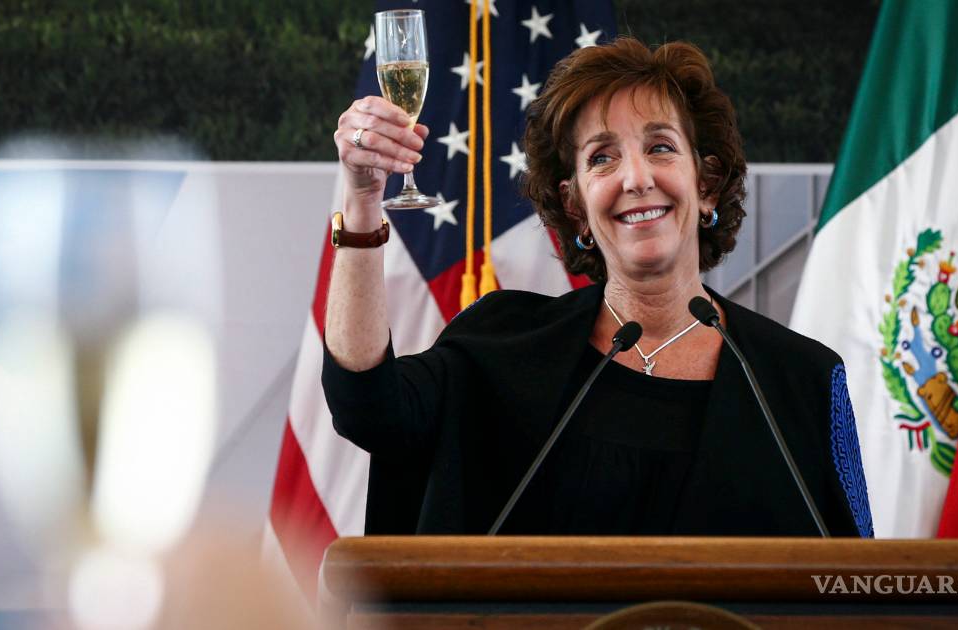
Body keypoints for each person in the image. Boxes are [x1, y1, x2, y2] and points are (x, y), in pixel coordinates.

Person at [325, 37, 873, 538]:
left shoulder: (803, 382)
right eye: (602, 158)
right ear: (575, 207)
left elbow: (857, 581)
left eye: (661, 147)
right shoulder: (501, 345)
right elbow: (367, 408)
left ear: (706, 185)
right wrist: (362, 199)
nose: (636, 178)